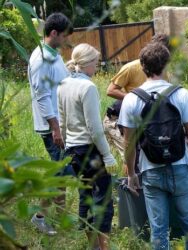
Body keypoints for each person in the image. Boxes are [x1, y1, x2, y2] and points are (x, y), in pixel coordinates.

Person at [118, 42, 188, 250]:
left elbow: (129, 142)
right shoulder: (180, 94)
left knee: (158, 233)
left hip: (151, 171)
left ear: (142, 66)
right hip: (181, 167)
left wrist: (131, 174)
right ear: (166, 65)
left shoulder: (131, 99)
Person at [59, 43, 116, 250]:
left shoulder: (63, 84)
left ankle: (92, 245)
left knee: (86, 197)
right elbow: (94, 128)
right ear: (88, 63)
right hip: (90, 149)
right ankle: (104, 248)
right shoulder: (88, 87)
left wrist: (68, 145)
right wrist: (108, 155)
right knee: (103, 201)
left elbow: (63, 121)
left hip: (73, 149)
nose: (97, 67)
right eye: (96, 63)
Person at [27, 12, 74, 236]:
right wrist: (55, 128)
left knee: (62, 174)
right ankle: (39, 217)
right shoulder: (40, 59)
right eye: (64, 36)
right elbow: (42, 95)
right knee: (59, 174)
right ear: (53, 33)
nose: (66, 41)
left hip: (60, 124)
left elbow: (59, 81)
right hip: (51, 127)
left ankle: (61, 217)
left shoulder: (53, 53)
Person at [103, 34, 170, 161]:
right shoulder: (131, 67)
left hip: (141, 120)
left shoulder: (163, 71)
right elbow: (110, 90)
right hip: (115, 119)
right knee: (131, 159)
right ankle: (128, 180)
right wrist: (136, 98)